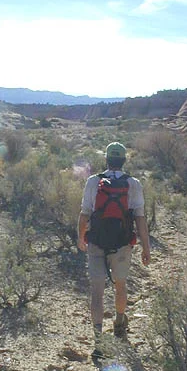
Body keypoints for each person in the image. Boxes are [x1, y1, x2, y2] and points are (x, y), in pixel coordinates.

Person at [77, 142, 151, 359]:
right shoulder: (133, 184)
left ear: (107, 160)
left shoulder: (93, 181)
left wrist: (81, 237)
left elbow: (84, 213)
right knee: (120, 285)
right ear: (124, 160)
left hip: (96, 243)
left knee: (97, 292)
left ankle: (98, 341)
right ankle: (119, 324)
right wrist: (146, 248)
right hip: (121, 244)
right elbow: (140, 219)